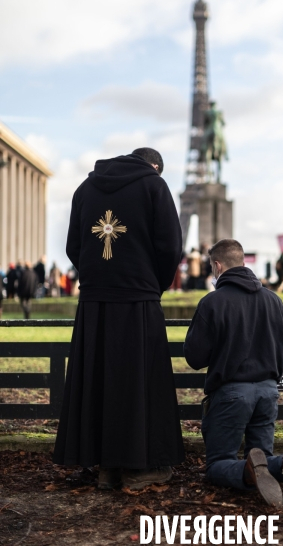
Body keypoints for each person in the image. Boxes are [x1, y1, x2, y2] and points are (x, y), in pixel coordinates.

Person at [53, 147, 185, 489]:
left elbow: (73, 246)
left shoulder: (85, 189)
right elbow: (171, 245)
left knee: (98, 379)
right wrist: (151, 284)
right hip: (138, 301)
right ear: (154, 166)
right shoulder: (154, 186)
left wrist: (97, 278)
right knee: (140, 382)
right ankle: (139, 468)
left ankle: (105, 467)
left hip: (95, 301)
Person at [184, 239, 283, 508]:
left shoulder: (212, 303)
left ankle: (248, 472)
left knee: (218, 464)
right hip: (268, 392)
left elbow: (194, 357)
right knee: (261, 454)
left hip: (232, 393)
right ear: (243, 262)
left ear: (217, 265)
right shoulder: (274, 301)